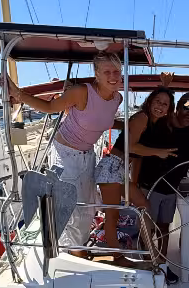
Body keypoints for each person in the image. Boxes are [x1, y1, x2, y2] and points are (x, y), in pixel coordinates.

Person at [8, 52, 125, 256]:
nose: (113, 76)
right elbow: (49, 108)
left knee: (87, 207)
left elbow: (99, 119)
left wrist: (133, 125)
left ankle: (78, 246)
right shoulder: (82, 92)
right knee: (70, 206)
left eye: (116, 71)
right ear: (96, 74)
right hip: (65, 153)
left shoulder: (118, 99)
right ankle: (72, 252)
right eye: (107, 71)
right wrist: (19, 94)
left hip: (87, 155)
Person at [137, 92, 189, 282]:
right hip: (150, 184)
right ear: (178, 107)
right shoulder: (163, 122)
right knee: (147, 228)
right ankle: (148, 263)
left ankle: (162, 263)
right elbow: (141, 136)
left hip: (173, 187)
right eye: (186, 107)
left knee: (164, 226)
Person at [95, 87, 177, 265]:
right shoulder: (142, 117)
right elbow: (130, 147)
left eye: (165, 104)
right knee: (112, 216)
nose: (160, 107)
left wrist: (135, 181)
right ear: (150, 101)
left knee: (143, 205)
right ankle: (118, 258)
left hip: (122, 170)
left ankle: (150, 251)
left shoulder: (154, 124)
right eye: (157, 102)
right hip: (111, 167)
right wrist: (159, 152)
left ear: (169, 109)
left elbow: (138, 157)